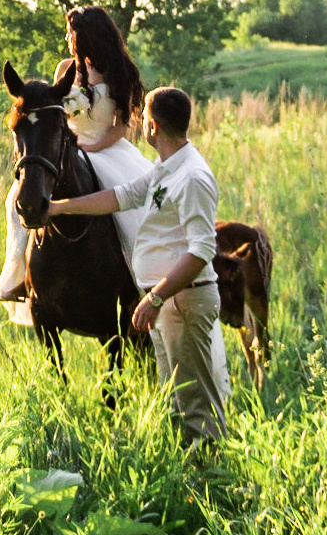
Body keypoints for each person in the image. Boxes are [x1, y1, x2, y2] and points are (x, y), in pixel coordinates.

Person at [45, 83, 229, 444]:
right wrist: (61, 207)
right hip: (169, 303)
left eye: (143, 117)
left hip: (184, 301)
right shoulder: (167, 167)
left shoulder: (192, 176)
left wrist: (155, 298)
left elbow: (201, 250)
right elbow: (122, 196)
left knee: (196, 404)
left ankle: (214, 482)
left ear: (154, 126)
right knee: (176, 400)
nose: (140, 123)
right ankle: (189, 484)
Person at [0, 6, 149, 302]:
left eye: (72, 33)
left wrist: (93, 147)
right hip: (66, 147)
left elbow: (122, 127)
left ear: (89, 36)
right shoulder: (65, 68)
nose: (68, 38)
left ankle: (138, 276)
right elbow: (56, 116)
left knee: (130, 207)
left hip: (106, 148)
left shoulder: (119, 72)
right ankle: (19, 277)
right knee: (16, 197)